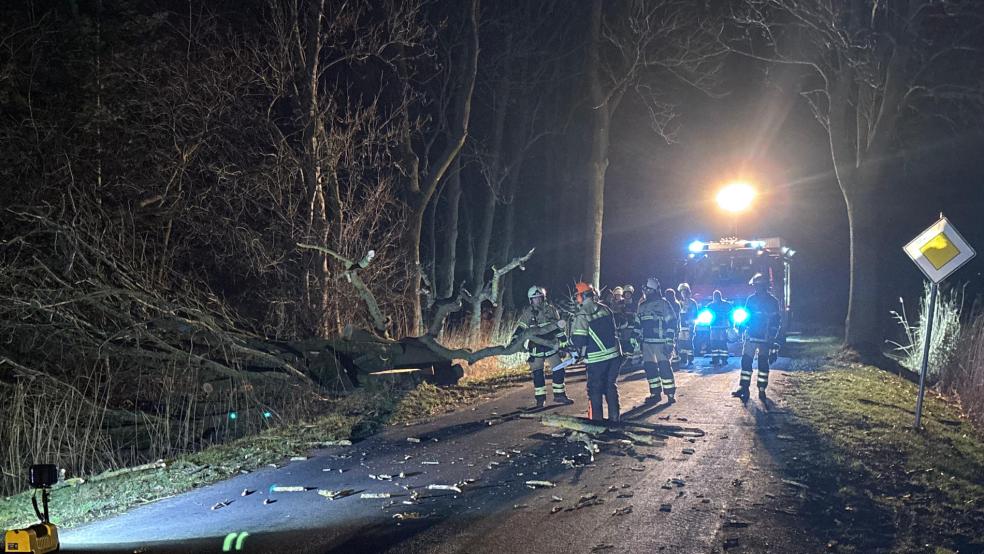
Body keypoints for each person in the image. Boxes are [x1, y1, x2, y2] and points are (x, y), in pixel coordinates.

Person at [512, 286, 574, 408]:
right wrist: (514, 341)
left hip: (551, 345)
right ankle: (540, 400)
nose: (538, 301)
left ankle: (559, 395)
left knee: (558, 369)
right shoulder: (528, 312)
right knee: (537, 373)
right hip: (536, 347)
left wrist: (563, 341)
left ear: (543, 298)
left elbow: (558, 327)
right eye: (535, 299)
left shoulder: (551, 310)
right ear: (531, 300)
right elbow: (521, 328)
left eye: (539, 298)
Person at [570, 283, 623, 421]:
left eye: (577, 296)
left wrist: (574, 350)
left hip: (596, 359)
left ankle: (597, 423)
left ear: (582, 296)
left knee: (595, 390)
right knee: (610, 386)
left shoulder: (582, 314)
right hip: (614, 356)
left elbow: (579, 340)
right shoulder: (605, 309)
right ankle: (614, 418)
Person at [733, 274, 782, 401]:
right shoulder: (751, 300)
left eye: (758, 286)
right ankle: (744, 387)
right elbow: (746, 316)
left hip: (764, 338)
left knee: (762, 363)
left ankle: (761, 389)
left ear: (764, 286)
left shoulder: (772, 301)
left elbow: (776, 320)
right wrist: (741, 328)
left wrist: (772, 336)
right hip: (752, 336)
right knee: (746, 361)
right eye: (756, 286)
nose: (757, 288)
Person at [638, 277, 678, 404]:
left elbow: (672, 323)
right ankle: (655, 393)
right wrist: (634, 341)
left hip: (660, 343)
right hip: (647, 343)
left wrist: (669, 342)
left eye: (648, 289)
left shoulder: (663, 304)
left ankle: (670, 394)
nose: (645, 292)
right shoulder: (642, 306)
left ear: (653, 290)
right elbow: (637, 324)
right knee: (650, 368)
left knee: (665, 367)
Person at [707, 290, 733, 366]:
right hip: (716, 326)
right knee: (716, 343)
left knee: (720, 343)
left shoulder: (711, 305)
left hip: (720, 327)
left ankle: (722, 359)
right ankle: (717, 359)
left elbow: (730, 313)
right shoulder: (725, 304)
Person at [677, 283, 699, 367]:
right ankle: (683, 358)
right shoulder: (679, 303)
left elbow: (695, 315)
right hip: (681, 326)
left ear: (688, 292)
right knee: (681, 343)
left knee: (689, 342)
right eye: (682, 292)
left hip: (689, 326)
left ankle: (690, 359)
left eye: (684, 292)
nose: (683, 294)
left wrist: (691, 324)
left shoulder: (692, 303)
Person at [664, 288, 682, 368]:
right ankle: (672, 361)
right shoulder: (666, 303)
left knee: (673, 344)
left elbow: (676, 317)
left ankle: (675, 362)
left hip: (673, 327)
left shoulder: (675, 304)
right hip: (668, 327)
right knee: (670, 344)